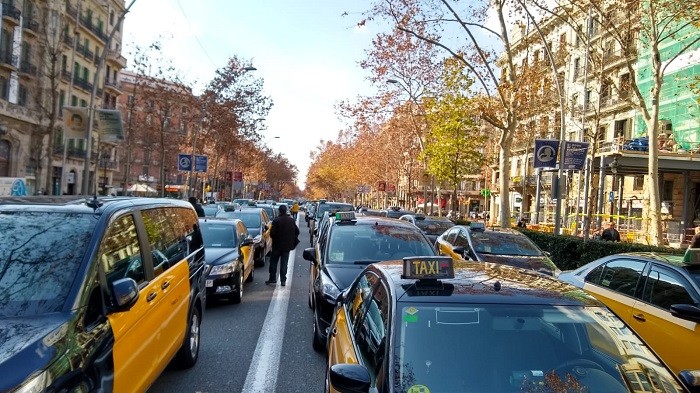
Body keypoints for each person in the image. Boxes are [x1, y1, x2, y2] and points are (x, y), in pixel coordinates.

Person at [266, 204, 300, 286]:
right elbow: (297, 231)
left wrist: (276, 237)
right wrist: (291, 238)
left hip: (277, 246)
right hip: (287, 246)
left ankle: (272, 278)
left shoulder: (276, 220)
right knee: (284, 263)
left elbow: (272, 233)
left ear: (279, 211)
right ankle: (283, 280)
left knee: (273, 262)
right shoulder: (291, 220)